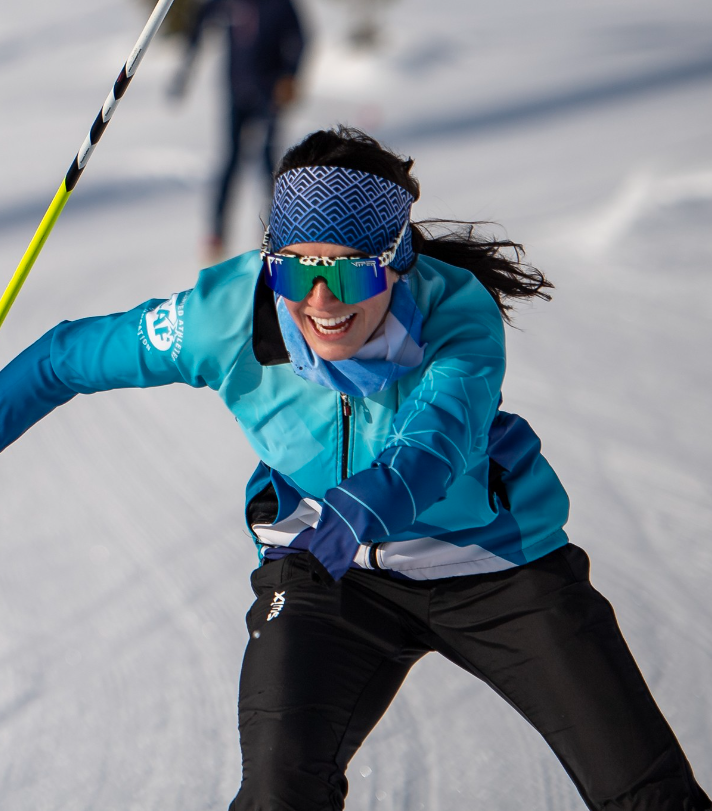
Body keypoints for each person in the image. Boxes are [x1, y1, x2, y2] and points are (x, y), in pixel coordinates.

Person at [0, 126, 709, 811]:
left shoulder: (455, 317)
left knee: (647, 793)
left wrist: (355, 513)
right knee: (278, 793)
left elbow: (434, 444)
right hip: (327, 575)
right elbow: (66, 358)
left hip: (496, 568)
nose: (320, 300)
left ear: (395, 261)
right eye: (296, 268)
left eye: (348, 269)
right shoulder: (224, 316)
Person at [169, 0, 306, 259]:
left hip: (269, 96)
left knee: (269, 166)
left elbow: (300, 39)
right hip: (236, 93)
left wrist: (290, 75)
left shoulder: (280, 5)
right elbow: (201, 19)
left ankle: (273, 233)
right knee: (230, 162)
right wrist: (185, 69)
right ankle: (216, 234)